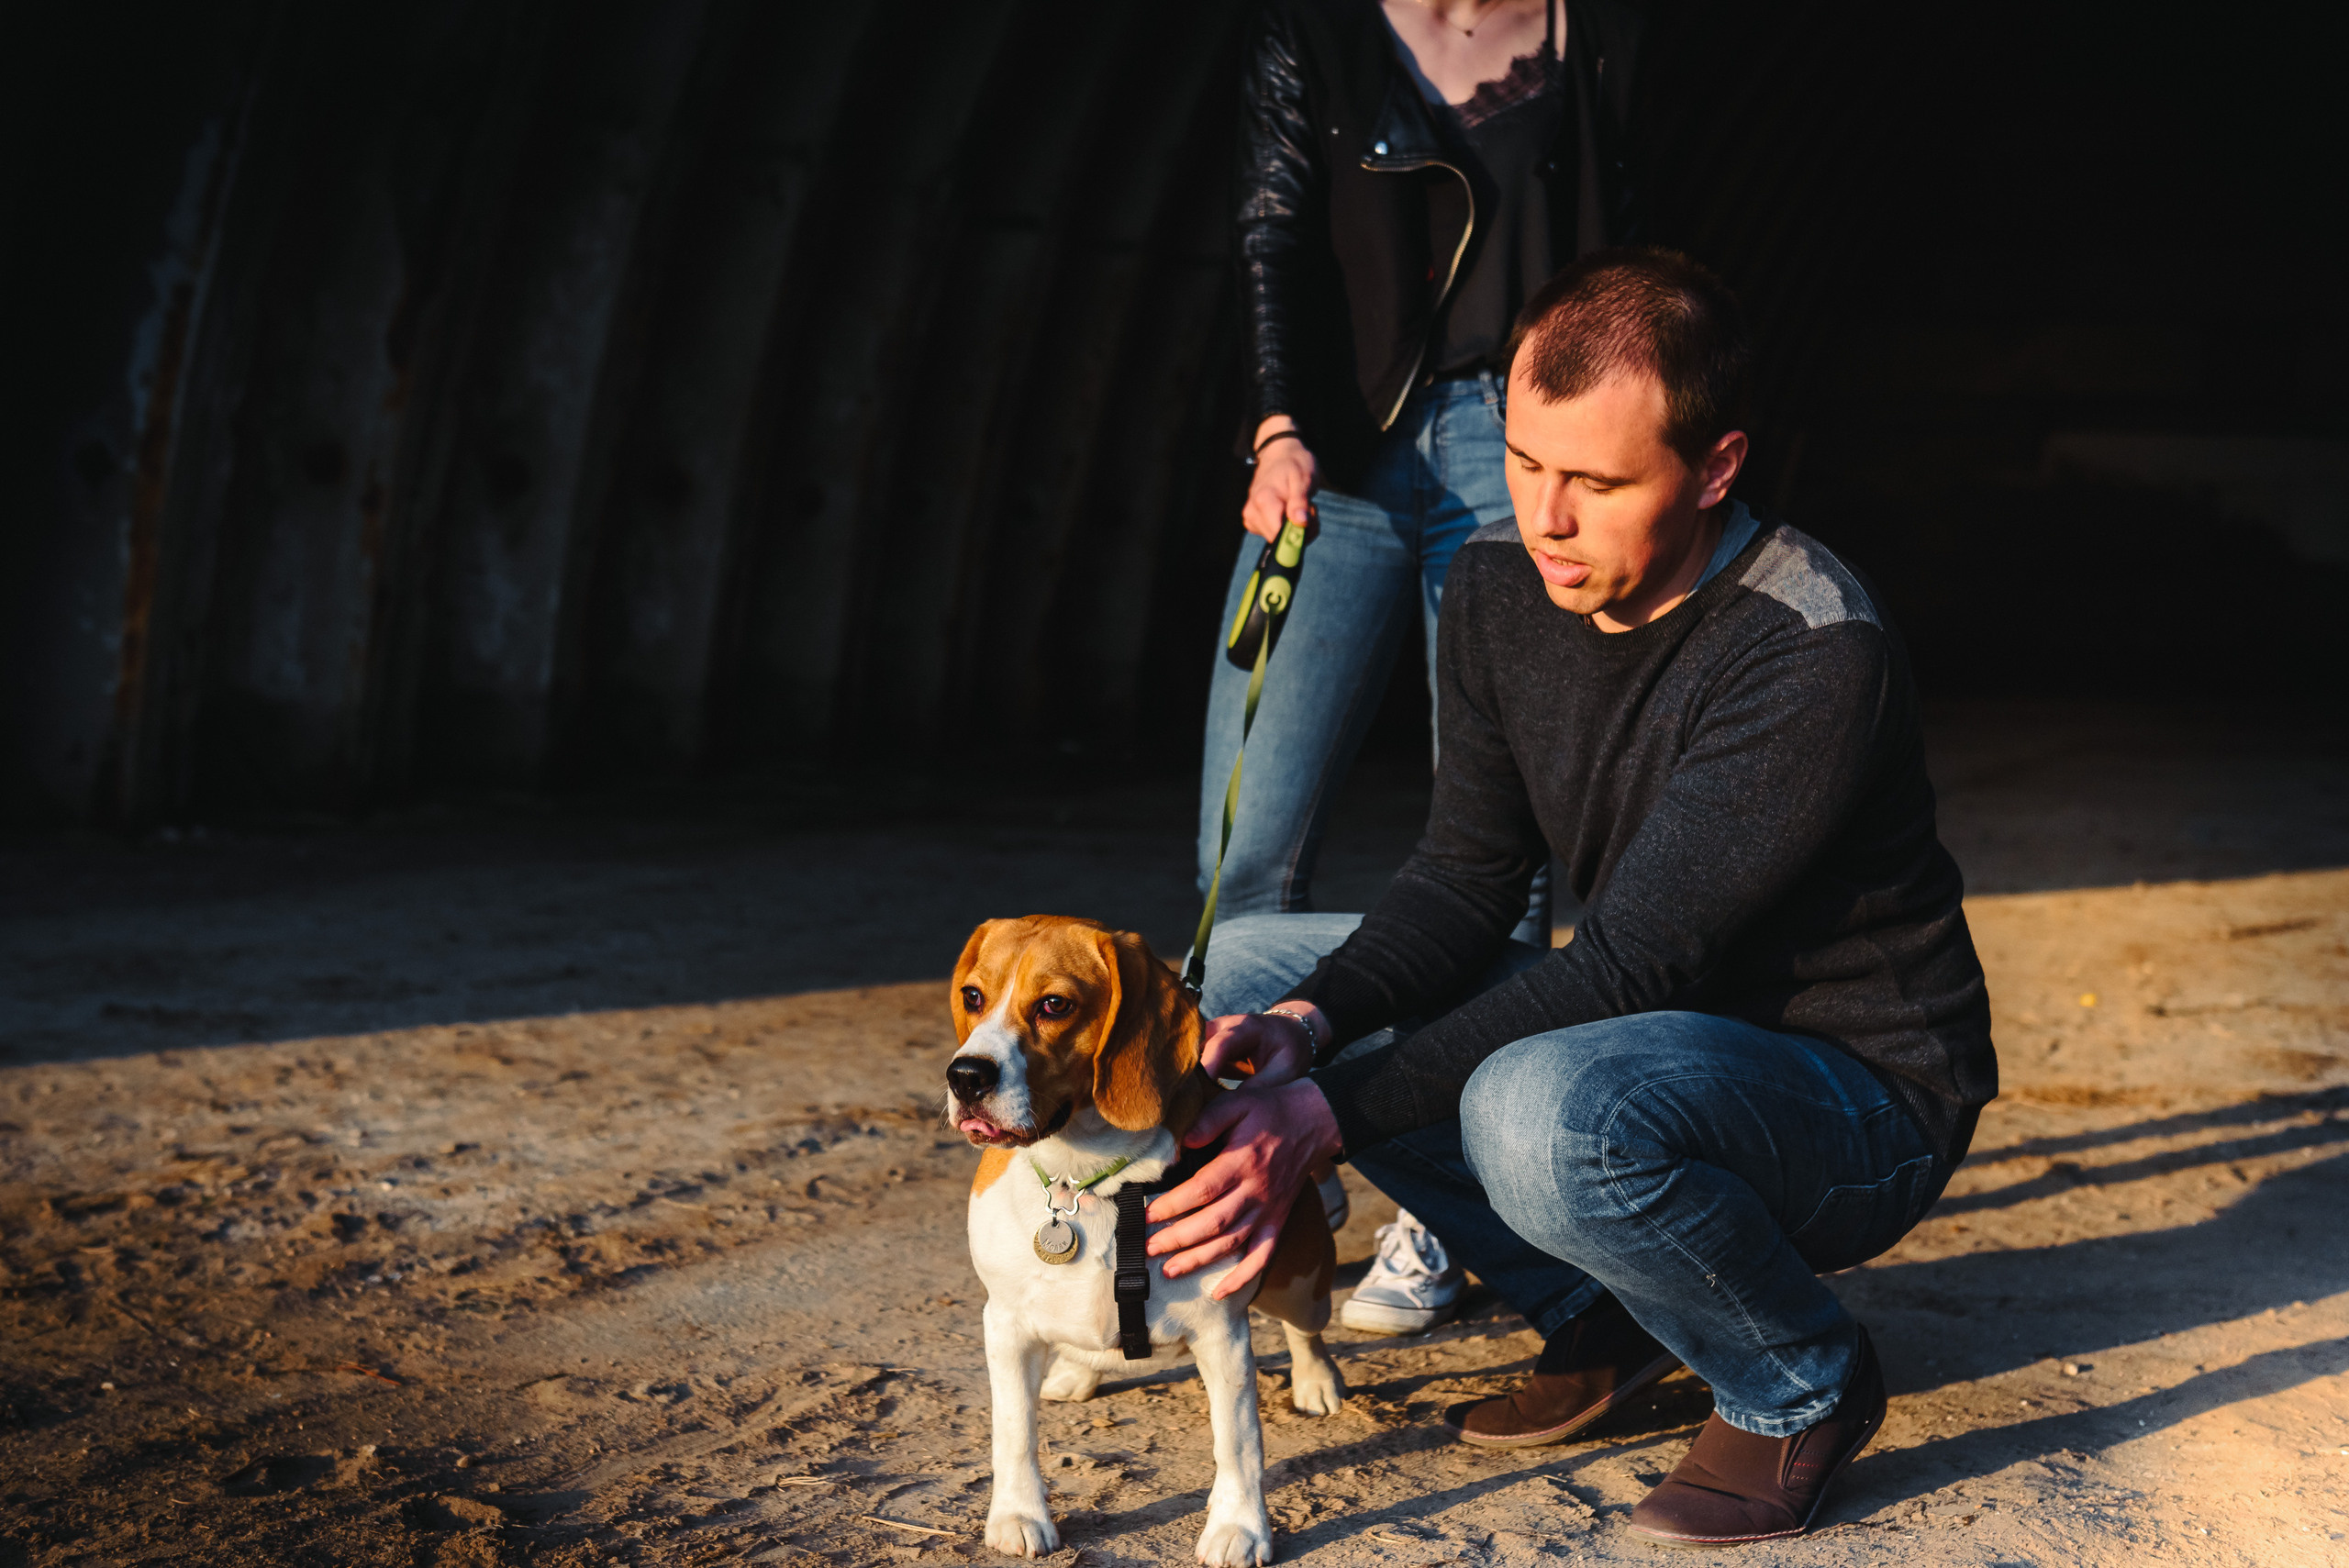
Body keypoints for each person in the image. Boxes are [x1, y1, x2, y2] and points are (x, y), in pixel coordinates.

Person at [1152, 249, 1997, 1547]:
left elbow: (1628, 965)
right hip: (1647, 1036)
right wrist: (1312, 1032)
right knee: (1261, 967)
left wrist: (1320, 1114)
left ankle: (1799, 1380)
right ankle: (1604, 1308)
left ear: (1716, 468)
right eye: (1527, 461)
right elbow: (1465, 877)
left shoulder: (1813, 645)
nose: (1543, 515)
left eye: (1597, 483)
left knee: (1540, 1107)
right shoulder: (1501, 581)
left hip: (1853, 1093)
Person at [1212, 0, 1643, 1327]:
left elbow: (1630, 250)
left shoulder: (1592, 29)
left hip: (1514, 447)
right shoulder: (1317, 30)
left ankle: (1442, 1212)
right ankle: (1257, 1162)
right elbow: (1275, 227)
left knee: (1494, 856)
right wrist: (1280, 422)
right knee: (1247, 849)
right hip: (1335, 456)